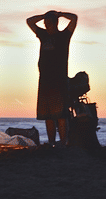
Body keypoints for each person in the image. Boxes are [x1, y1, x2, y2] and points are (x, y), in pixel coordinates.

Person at [27, 10, 78, 146]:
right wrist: (44, 15)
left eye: (49, 23)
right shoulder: (43, 35)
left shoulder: (64, 36)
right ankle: (51, 143)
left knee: (61, 115)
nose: (46, 25)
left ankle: (63, 142)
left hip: (59, 80)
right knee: (47, 116)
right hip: (44, 81)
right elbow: (29, 21)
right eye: (45, 23)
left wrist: (60, 14)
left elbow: (74, 18)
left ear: (55, 23)